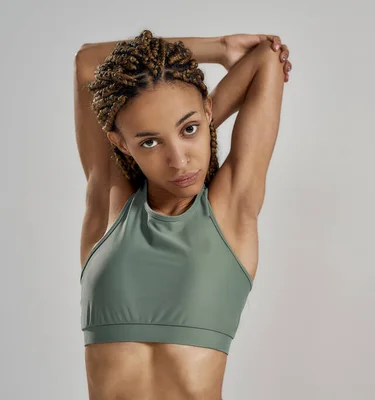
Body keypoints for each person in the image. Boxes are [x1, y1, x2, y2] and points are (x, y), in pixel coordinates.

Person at [74, 29, 291, 399]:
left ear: (208, 111)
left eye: (188, 129)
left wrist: (190, 124)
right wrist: (216, 51)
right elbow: (87, 62)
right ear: (120, 143)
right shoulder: (109, 205)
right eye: (150, 142)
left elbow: (265, 59)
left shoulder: (231, 211)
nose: (179, 161)